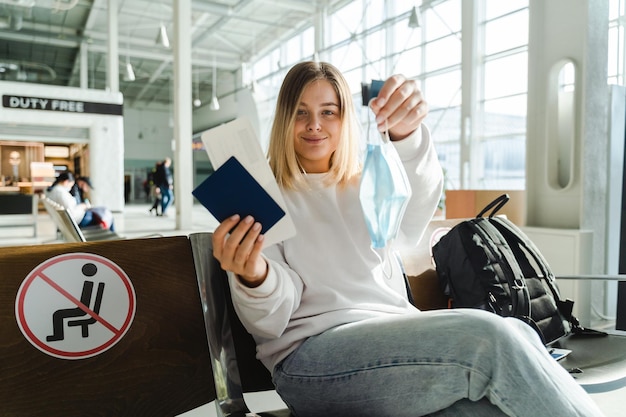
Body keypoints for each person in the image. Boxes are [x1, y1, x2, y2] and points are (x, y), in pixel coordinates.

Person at [211, 61, 605, 417]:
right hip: (310, 362)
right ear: (284, 120)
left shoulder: (366, 183)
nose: (315, 124)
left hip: (393, 347)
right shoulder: (262, 194)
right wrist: (255, 275)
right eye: (301, 113)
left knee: (488, 398)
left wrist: (408, 133)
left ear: (343, 118)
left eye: (328, 112)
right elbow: (272, 321)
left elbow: (414, 210)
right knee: (491, 336)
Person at [46, 171, 115, 231]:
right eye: (71, 185)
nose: (70, 188)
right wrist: (82, 206)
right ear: (66, 182)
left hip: (73, 220)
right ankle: (114, 241)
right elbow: (72, 212)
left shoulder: (54, 191)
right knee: (107, 215)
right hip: (79, 220)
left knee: (103, 213)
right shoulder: (61, 193)